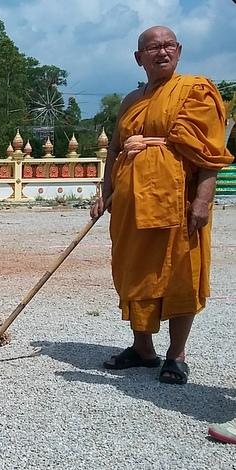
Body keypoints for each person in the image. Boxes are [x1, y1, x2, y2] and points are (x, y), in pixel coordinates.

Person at [90, 26, 234, 384]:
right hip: (130, 206)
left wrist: (202, 200)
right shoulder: (130, 101)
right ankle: (143, 349)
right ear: (139, 58)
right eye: (153, 47)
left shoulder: (195, 92)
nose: (162, 52)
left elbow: (209, 155)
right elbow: (114, 152)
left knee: (180, 273)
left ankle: (176, 355)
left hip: (179, 202)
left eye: (168, 45)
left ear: (179, 50)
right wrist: (104, 192)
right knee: (134, 273)